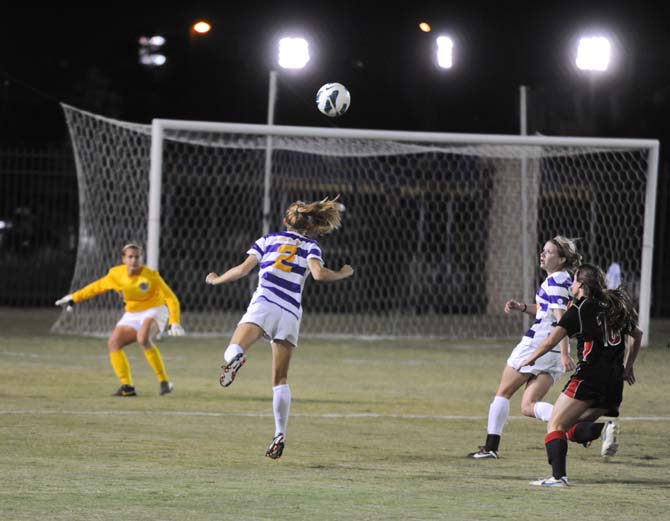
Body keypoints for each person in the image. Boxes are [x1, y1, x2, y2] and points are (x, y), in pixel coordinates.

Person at [205, 197, 354, 459]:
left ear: (285, 221)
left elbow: (241, 270)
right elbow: (318, 275)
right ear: (309, 225)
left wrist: (217, 280)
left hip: (264, 303)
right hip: (290, 313)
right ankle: (278, 433)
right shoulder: (311, 246)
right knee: (280, 379)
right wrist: (343, 273)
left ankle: (236, 358)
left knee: (234, 346)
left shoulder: (268, 240)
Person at [520, 263, 642, 487]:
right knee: (569, 428)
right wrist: (628, 366)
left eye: (575, 281)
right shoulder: (612, 306)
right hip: (614, 381)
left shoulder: (578, 309)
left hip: (589, 377)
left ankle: (558, 478)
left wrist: (530, 359)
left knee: (555, 425)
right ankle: (603, 430)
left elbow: (550, 341)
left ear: (581, 286)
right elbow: (637, 333)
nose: (572, 284)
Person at [467, 236, 582, 459]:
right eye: (543, 250)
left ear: (560, 259)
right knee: (529, 406)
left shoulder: (555, 280)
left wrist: (566, 354)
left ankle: (490, 448)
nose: (543, 254)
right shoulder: (565, 279)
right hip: (553, 351)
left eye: (549, 252)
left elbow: (561, 320)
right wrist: (522, 307)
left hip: (538, 344)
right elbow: (546, 309)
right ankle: (583, 428)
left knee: (503, 392)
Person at [55, 242, 184, 396]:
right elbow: (97, 287)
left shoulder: (151, 276)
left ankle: (164, 382)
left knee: (142, 338)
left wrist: (174, 321)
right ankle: (127, 387)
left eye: (137, 257)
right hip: (132, 312)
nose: (134, 260)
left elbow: (170, 298)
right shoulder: (115, 274)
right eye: (130, 257)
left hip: (154, 309)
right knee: (113, 343)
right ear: (123, 259)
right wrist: (74, 298)